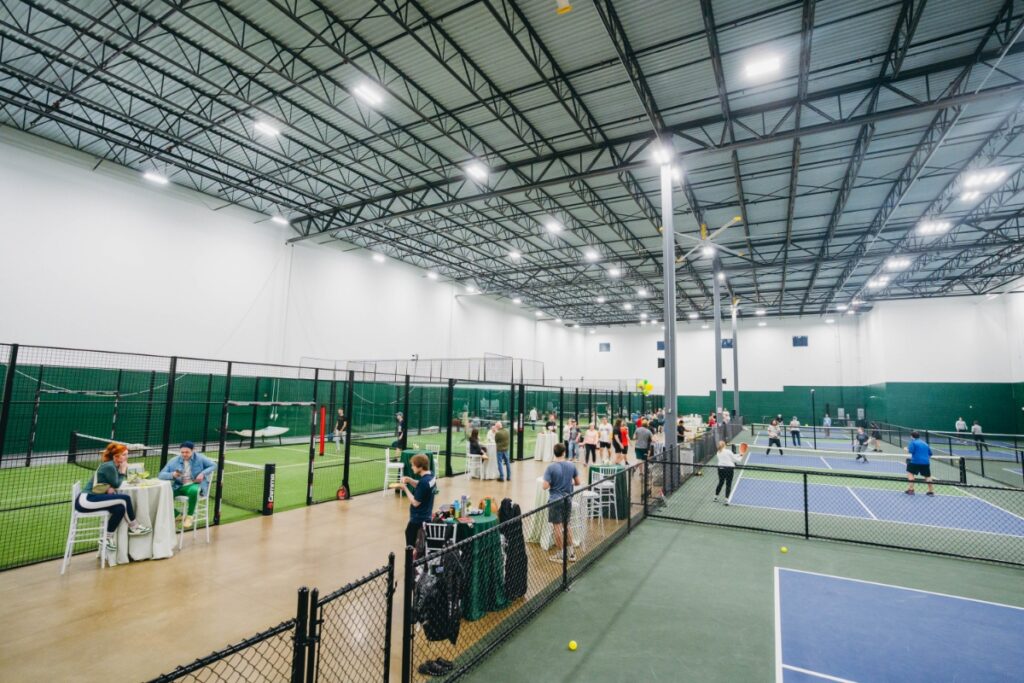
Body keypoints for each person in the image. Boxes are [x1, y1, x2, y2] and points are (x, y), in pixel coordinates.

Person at [77, 442, 152, 553]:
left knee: (120, 509)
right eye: (124, 455)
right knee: (125, 498)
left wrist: (113, 483)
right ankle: (134, 527)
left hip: (94, 497)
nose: (127, 457)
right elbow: (117, 484)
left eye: (127, 454)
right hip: (86, 500)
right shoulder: (110, 466)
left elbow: (114, 484)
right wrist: (122, 470)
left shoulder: (113, 465)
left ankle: (106, 538)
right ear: (116, 456)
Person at [158, 441, 217, 529]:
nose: (184, 454)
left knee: (193, 490)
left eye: (187, 452)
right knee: (163, 494)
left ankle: (189, 516)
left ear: (193, 450)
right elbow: (161, 475)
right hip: (179, 486)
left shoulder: (200, 458)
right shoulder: (173, 461)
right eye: (182, 452)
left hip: (195, 484)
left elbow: (213, 465)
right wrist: (172, 474)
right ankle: (178, 515)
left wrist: (203, 473)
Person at [542, 443, 579, 563]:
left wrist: (552, 482)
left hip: (555, 500)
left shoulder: (550, 468)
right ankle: (571, 554)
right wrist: (569, 481)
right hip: (567, 499)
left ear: (554, 453)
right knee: (567, 525)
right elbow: (577, 482)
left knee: (557, 527)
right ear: (564, 452)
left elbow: (544, 486)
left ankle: (560, 555)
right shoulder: (571, 465)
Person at [402, 454, 436, 547]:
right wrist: (410, 480)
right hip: (426, 516)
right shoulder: (431, 476)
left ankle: (410, 561)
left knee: (410, 541)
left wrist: (404, 488)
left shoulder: (424, 482)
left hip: (418, 519)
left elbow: (415, 502)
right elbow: (420, 485)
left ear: (420, 467)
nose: (412, 467)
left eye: (413, 465)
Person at [905, 431, 935, 496]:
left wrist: (905, 449)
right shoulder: (925, 443)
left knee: (910, 474)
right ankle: (931, 491)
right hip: (925, 462)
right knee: (927, 476)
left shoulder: (913, 442)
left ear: (912, 436)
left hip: (915, 462)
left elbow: (911, 451)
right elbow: (930, 454)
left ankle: (911, 490)